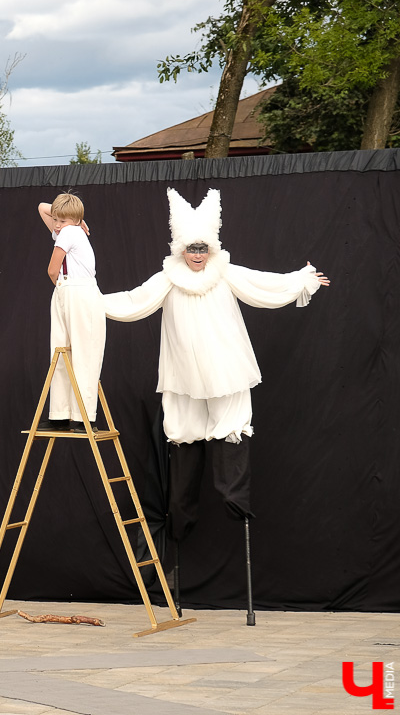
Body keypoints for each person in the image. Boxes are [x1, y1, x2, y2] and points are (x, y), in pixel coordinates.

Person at [102, 188, 329, 539]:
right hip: (183, 375)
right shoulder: (167, 280)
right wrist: (90, 301)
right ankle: (181, 515)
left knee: (231, 426)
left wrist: (301, 279)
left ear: (211, 248)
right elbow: (134, 301)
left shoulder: (226, 273)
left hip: (226, 369)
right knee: (183, 433)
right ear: (180, 249)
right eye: (191, 248)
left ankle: (234, 499)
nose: (197, 255)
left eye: (203, 248)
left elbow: (262, 283)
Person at [37, 193, 105, 432]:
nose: (57, 225)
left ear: (74, 220)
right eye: (56, 219)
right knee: (76, 352)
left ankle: (64, 415)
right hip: (72, 289)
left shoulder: (69, 231)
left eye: (62, 220)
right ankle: (77, 417)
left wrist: (74, 220)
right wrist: (73, 218)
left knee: (68, 351)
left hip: (72, 289)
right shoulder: (70, 229)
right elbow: (42, 207)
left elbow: (52, 270)